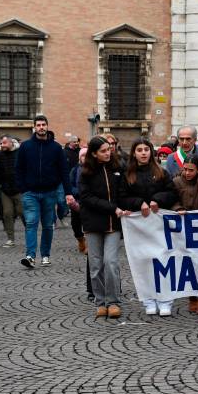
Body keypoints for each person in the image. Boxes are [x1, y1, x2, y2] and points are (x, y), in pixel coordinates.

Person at [118, 138, 179, 316]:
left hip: (158, 225)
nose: (143, 153)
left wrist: (156, 200)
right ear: (134, 153)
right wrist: (139, 203)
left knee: (163, 261)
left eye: (146, 149)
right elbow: (121, 197)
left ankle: (165, 300)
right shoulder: (127, 175)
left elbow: (172, 193)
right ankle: (148, 300)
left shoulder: (161, 172)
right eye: (139, 150)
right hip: (138, 226)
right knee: (143, 262)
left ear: (151, 152)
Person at [79, 136, 130, 319]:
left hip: (113, 224)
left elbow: (123, 193)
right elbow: (86, 198)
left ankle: (113, 301)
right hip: (93, 223)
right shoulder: (85, 172)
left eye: (109, 149)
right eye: (103, 151)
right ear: (94, 153)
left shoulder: (117, 168)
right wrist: (112, 207)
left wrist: (127, 207)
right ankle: (100, 302)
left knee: (111, 262)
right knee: (95, 265)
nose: (108, 153)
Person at [15, 116, 74, 268]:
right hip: (30, 193)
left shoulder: (56, 148)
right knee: (31, 223)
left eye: (43, 125)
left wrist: (68, 192)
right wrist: (23, 187)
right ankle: (30, 256)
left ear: (47, 126)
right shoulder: (26, 146)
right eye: (38, 125)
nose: (41, 127)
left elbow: (64, 171)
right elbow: (18, 169)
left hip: (50, 192)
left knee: (48, 225)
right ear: (34, 127)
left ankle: (46, 254)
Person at [172, 154, 198, 312]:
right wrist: (177, 208)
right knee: (187, 262)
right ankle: (191, 297)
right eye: (185, 169)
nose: (187, 173)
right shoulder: (176, 181)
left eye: (191, 170)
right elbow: (172, 199)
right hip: (183, 225)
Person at [0, 136, 23, 247]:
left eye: (5, 143)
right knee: (7, 214)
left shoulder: (19, 153)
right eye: (2, 143)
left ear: (12, 143)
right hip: (5, 190)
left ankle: (30, 233)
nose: (3, 145)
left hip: (19, 189)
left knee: (22, 212)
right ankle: (10, 239)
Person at [69, 148, 87, 253]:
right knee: (75, 224)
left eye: (86, 155)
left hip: (88, 202)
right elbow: (70, 185)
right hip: (76, 201)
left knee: (88, 224)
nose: (85, 157)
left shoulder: (94, 169)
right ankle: (80, 239)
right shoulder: (75, 170)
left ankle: (89, 245)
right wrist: (78, 192)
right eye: (83, 155)